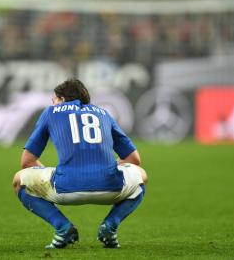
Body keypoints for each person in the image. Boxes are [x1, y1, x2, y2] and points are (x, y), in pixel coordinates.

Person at [12, 79, 147, 249]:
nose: (52, 103)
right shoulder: (103, 113)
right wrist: (109, 167)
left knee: (19, 180)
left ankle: (62, 228)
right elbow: (134, 160)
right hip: (111, 187)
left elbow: (27, 162)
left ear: (61, 99)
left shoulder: (51, 112)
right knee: (141, 175)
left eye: (53, 99)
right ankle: (110, 226)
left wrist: (55, 172)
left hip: (65, 188)